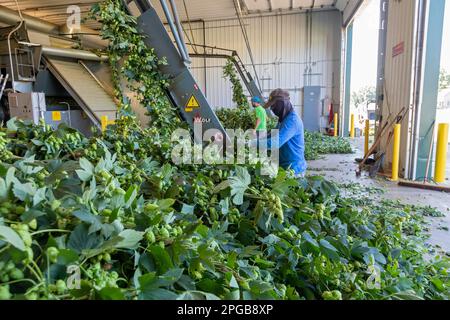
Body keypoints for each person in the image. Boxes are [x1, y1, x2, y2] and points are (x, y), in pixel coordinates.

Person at [256, 89, 307, 177]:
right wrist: (260, 139)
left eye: (273, 106)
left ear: (282, 103)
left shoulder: (292, 121)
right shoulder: (283, 118)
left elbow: (276, 142)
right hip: (283, 166)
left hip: (293, 171)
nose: (272, 109)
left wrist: (252, 144)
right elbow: (273, 133)